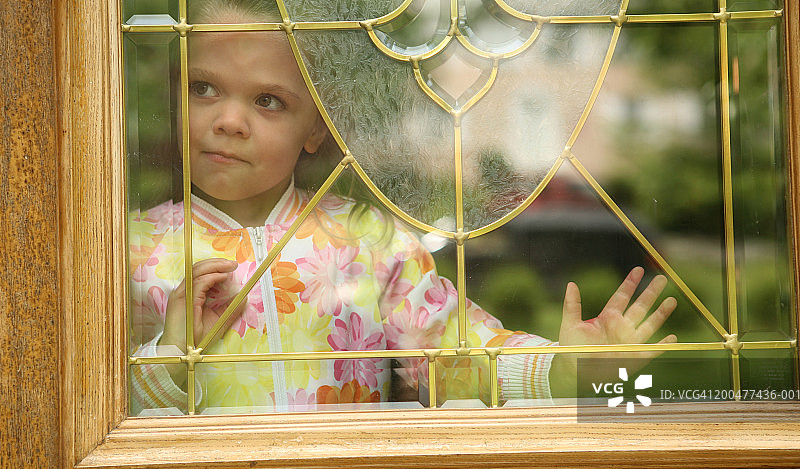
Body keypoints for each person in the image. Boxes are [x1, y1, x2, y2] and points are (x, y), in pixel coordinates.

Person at [129, 0, 676, 414]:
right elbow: (89, 417)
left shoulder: (368, 240)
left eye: (268, 100)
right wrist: (173, 352)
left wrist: (569, 370)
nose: (228, 120)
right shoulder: (132, 245)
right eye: (203, 88)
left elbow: (452, 349)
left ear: (319, 125)